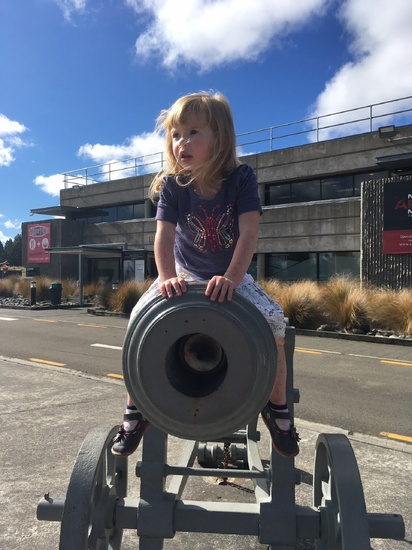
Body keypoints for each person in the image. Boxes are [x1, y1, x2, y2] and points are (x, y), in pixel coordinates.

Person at [112, 91, 300, 458]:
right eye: (176, 135)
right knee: (138, 323)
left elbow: (248, 233)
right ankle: (136, 410)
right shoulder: (173, 185)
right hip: (184, 271)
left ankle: (276, 408)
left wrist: (231, 278)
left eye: (193, 132)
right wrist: (167, 277)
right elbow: (164, 237)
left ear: (220, 137)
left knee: (275, 322)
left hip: (231, 275)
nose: (182, 142)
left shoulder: (241, 178)